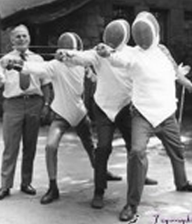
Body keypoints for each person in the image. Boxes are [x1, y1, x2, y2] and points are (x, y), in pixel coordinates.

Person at [96, 12, 192, 221]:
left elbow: (176, 73)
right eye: (138, 32)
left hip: (167, 113)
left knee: (177, 150)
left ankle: (182, 182)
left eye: (146, 31)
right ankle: (131, 205)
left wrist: (189, 84)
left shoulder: (163, 51)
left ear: (155, 31)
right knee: (137, 152)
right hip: (143, 114)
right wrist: (107, 54)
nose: (142, 36)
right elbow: (118, 59)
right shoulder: (133, 54)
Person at [57, 19, 157, 210]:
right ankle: (99, 191)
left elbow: (134, 65)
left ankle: (141, 177)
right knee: (103, 149)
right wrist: (68, 55)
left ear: (125, 36)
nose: (112, 37)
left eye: (116, 34)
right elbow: (83, 57)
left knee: (135, 148)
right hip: (103, 107)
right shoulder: (97, 52)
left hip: (126, 107)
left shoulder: (132, 53)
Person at [9, 32, 118, 204]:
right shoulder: (54, 65)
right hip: (61, 114)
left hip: (80, 113)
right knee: (51, 146)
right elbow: (35, 68)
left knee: (91, 147)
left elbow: (97, 71)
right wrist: (17, 65)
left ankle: (101, 172)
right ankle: (53, 188)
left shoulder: (83, 63)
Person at [0, 24, 52, 201]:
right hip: (13, 105)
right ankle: (5, 185)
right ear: (12, 40)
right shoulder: (4, 60)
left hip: (34, 103)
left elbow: (45, 83)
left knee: (30, 145)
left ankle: (26, 182)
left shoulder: (38, 60)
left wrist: (46, 104)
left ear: (29, 38)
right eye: (18, 37)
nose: (22, 39)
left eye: (24, 36)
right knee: (10, 146)